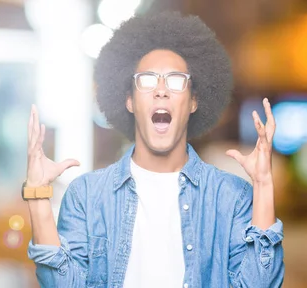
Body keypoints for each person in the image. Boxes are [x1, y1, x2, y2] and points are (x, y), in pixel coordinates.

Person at [24, 11, 284, 288]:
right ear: (129, 101)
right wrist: (37, 196)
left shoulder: (232, 196)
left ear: (193, 102)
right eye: (147, 79)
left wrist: (263, 184)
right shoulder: (87, 195)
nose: (161, 90)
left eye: (175, 80)